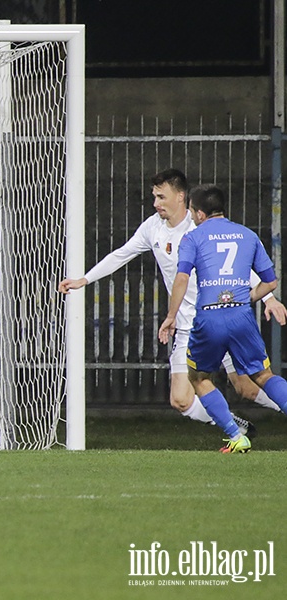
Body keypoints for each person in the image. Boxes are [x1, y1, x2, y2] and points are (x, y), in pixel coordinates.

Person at [59, 169, 286, 435]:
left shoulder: (199, 229)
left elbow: (234, 267)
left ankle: (241, 426)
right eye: (154, 197)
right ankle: (236, 425)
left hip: (215, 317)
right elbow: (122, 254)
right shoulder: (153, 227)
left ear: (181, 197)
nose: (156, 203)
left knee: (247, 388)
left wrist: (270, 298)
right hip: (191, 327)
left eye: (161, 197)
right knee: (181, 400)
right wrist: (84, 280)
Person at [159, 184, 287, 453]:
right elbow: (271, 282)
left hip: (209, 317)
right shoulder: (248, 235)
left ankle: (235, 434)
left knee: (199, 377)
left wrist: (171, 315)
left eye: (193, 211)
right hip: (240, 314)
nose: (192, 217)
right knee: (263, 375)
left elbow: (182, 278)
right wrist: (248, 297)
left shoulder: (193, 238)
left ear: (200, 213)